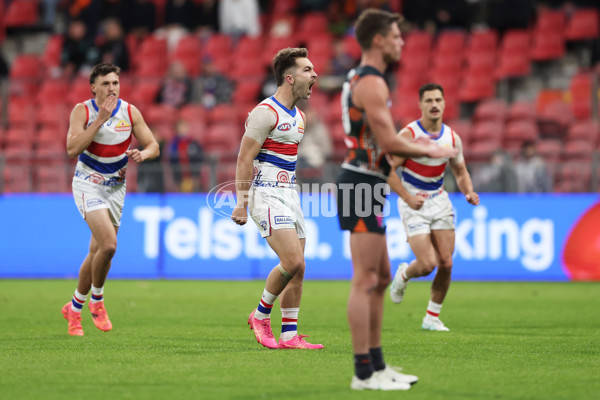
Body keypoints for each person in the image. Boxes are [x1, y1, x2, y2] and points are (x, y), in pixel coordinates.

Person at [335, 9, 458, 391]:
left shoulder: (366, 79)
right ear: (378, 40)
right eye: (396, 35)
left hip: (367, 182)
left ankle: (377, 366)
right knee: (365, 279)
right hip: (360, 183)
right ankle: (363, 373)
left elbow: (384, 141)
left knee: (383, 276)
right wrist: (427, 146)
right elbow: (389, 143)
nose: (401, 41)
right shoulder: (372, 83)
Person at [231, 47, 323, 350]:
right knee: (292, 260)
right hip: (265, 193)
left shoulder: (300, 118)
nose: (315, 75)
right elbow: (245, 158)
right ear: (289, 77)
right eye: (308, 70)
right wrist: (241, 202)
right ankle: (259, 315)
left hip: (289, 193)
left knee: (300, 267)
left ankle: (289, 335)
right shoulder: (264, 112)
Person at [62, 63, 160, 336]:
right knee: (109, 245)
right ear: (93, 87)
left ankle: (74, 308)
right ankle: (97, 300)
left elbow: (153, 145)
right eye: (105, 83)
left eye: (115, 83)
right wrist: (100, 120)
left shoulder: (130, 112)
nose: (111, 88)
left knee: (97, 252)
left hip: (116, 188)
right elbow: (72, 149)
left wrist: (145, 153)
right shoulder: (83, 111)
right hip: (88, 185)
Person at [388, 83, 479, 332]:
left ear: (445, 103)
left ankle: (431, 317)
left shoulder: (452, 138)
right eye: (428, 100)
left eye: (438, 99)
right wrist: (407, 197)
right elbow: (387, 170)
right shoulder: (408, 136)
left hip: (439, 200)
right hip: (414, 202)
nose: (434, 105)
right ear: (420, 105)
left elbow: (460, 171)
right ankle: (404, 274)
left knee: (446, 263)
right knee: (427, 264)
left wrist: (468, 191)